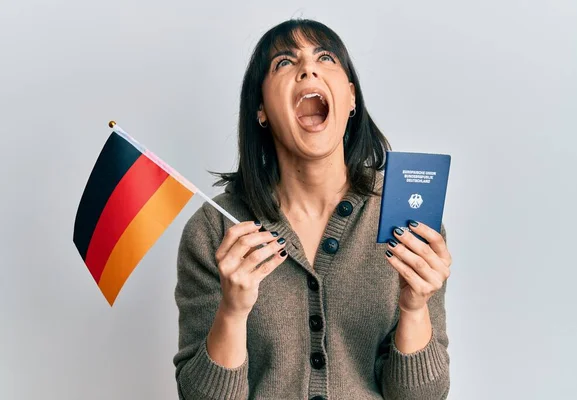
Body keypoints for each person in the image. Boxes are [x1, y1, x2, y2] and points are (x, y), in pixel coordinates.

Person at [173, 18, 452, 400]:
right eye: (284, 63)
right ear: (261, 110)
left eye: (325, 57)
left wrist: (415, 308)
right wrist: (232, 313)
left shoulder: (405, 214)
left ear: (351, 97)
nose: (308, 67)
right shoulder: (214, 229)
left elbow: (422, 397)